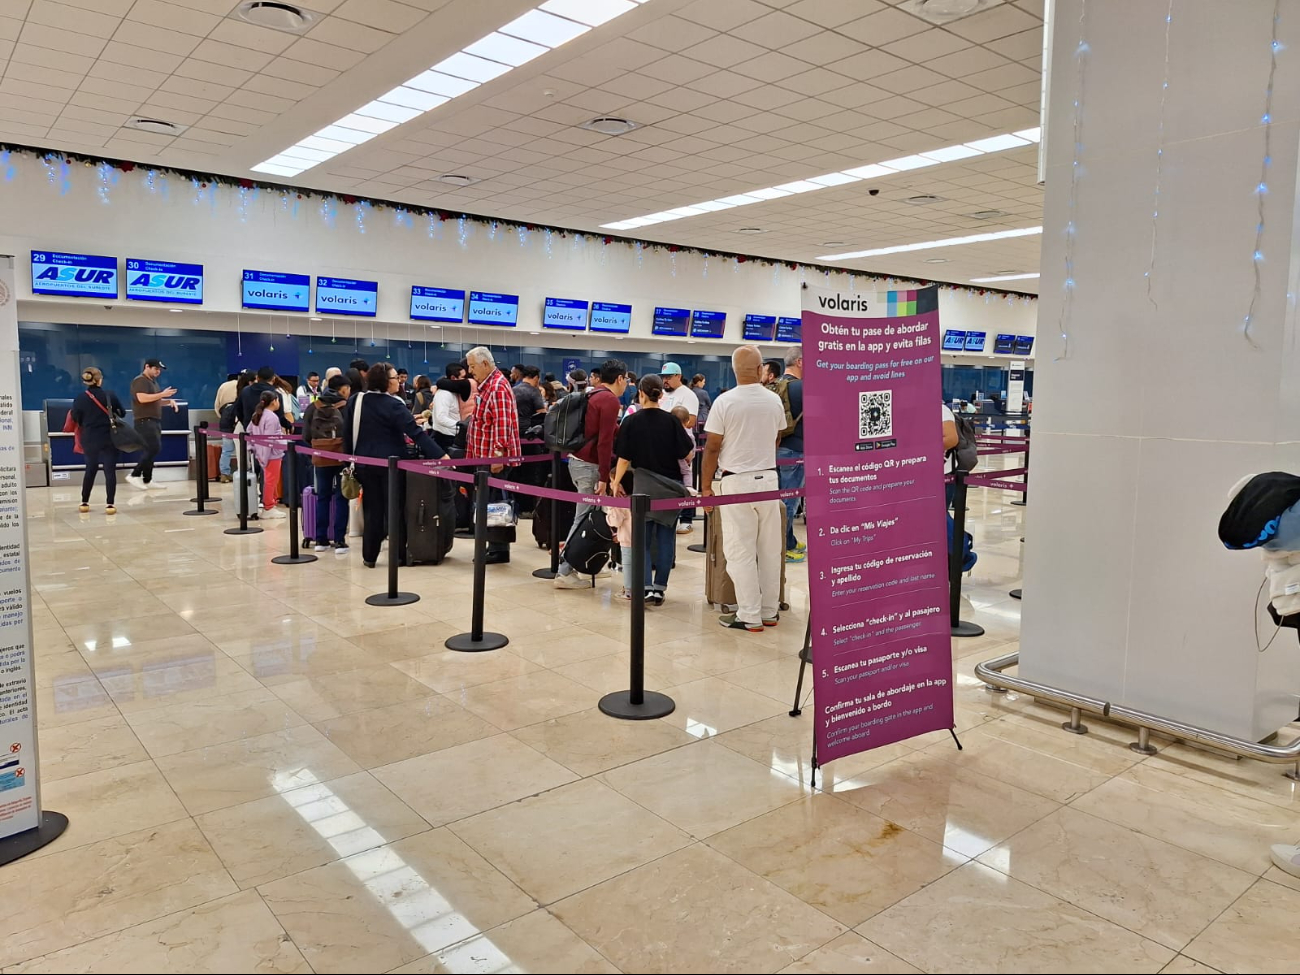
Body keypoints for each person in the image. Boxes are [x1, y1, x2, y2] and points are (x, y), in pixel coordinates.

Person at [702, 346, 786, 632]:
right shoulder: (774, 401)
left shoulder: (725, 402)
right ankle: (769, 611)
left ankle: (749, 615)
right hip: (769, 480)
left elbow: (712, 447)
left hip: (736, 481)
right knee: (770, 549)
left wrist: (705, 489)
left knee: (741, 550)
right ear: (761, 368)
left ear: (734, 369)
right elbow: (775, 439)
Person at [343, 362, 444, 567]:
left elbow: (348, 433)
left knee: (372, 509)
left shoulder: (356, 400)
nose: (398, 381)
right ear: (385, 382)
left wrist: (349, 460)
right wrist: (441, 456)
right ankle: (397, 556)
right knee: (395, 510)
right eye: (395, 378)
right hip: (392, 465)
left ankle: (369, 556)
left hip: (364, 464)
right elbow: (415, 433)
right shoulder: (394, 404)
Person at [611, 375, 694, 605]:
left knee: (643, 540)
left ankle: (645, 586)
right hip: (670, 489)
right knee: (666, 539)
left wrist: (616, 482)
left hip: (644, 488)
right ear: (661, 393)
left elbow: (624, 459)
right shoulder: (672, 422)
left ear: (641, 393)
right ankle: (660, 589)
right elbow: (686, 453)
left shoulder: (631, 421)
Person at [554, 358, 628, 589]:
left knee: (589, 516)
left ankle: (583, 562)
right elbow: (604, 443)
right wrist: (606, 477)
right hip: (590, 466)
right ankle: (564, 571)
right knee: (583, 517)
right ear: (619, 378)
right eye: (626, 379)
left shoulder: (592, 394)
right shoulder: (609, 400)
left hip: (578, 461)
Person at [466, 346, 520, 564]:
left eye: (472, 366)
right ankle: (493, 545)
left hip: (493, 459)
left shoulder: (497, 387)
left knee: (496, 503)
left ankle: (499, 549)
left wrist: (498, 456)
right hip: (483, 456)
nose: (470, 371)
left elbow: (502, 424)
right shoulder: (486, 386)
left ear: (485, 364)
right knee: (488, 502)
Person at [70, 367, 124, 515]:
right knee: (109, 471)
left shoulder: (80, 398)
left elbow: (76, 418)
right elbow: (122, 413)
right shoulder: (109, 395)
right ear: (100, 379)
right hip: (109, 437)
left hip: (89, 438)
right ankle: (110, 504)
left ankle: (84, 502)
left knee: (90, 469)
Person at [307, 374, 351, 554]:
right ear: (343, 389)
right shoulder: (345, 407)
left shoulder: (313, 406)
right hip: (341, 458)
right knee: (342, 498)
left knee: (323, 497)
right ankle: (340, 541)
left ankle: (320, 540)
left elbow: (305, 436)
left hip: (320, 458)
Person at [125, 358, 177, 490]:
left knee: (151, 449)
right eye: (155, 369)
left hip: (154, 420)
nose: (158, 371)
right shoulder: (140, 381)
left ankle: (147, 479)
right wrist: (162, 394)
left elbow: (154, 400)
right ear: (147, 367)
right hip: (144, 420)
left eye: (159, 369)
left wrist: (167, 401)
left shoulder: (152, 382)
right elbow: (142, 398)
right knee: (153, 448)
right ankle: (134, 474)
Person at [659, 363, 699, 535]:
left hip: (682, 443)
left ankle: (687, 519)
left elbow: (690, 421)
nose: (665, 380)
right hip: (665, 445)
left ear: (678, 376)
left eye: (668, 377)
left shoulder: (688, 395)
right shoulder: (662, 395)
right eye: (663, 377)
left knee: (686, 479)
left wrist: (670, 424)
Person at [776, 346, 806, 563]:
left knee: (779, 497)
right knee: (789, 501)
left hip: (777, 448)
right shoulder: (804, 388)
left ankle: (790, 540)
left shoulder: (775, 385)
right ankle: (784, 546)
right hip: (796, 450)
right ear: (800, 362)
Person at [247, 390, 287, 519]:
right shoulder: (272, 417)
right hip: (271, 454)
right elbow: (269, 439)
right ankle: (269, 506)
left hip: (262, 453)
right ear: (274, 401)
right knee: (271, 481)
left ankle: (271, 503)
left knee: (270, 480)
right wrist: (265, 456)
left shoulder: (258, 415)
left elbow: (249, 432)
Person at [214, 371, 248, 482]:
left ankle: (224, 473)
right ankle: (243, 472)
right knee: (242, 448)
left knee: (227, 449)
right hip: (238, 418)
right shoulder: (245, 388)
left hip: (225, 417)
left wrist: (222, 416)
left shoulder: (223, 386)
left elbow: (217, 405)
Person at [238, 366, 291, 432]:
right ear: (274, 379)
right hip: (269, 432)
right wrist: (289, 426)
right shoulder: (276, 395)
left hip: (250, 432)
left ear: (257, 377)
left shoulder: (245, 391)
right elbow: (280, 417)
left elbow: (238, 410)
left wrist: (246, 424)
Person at [513, 365, 546, 434]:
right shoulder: (534, 391)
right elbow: (541, 413)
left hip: (513, 428)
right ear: (536, 378)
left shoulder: (513, 390)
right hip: (528, 430)